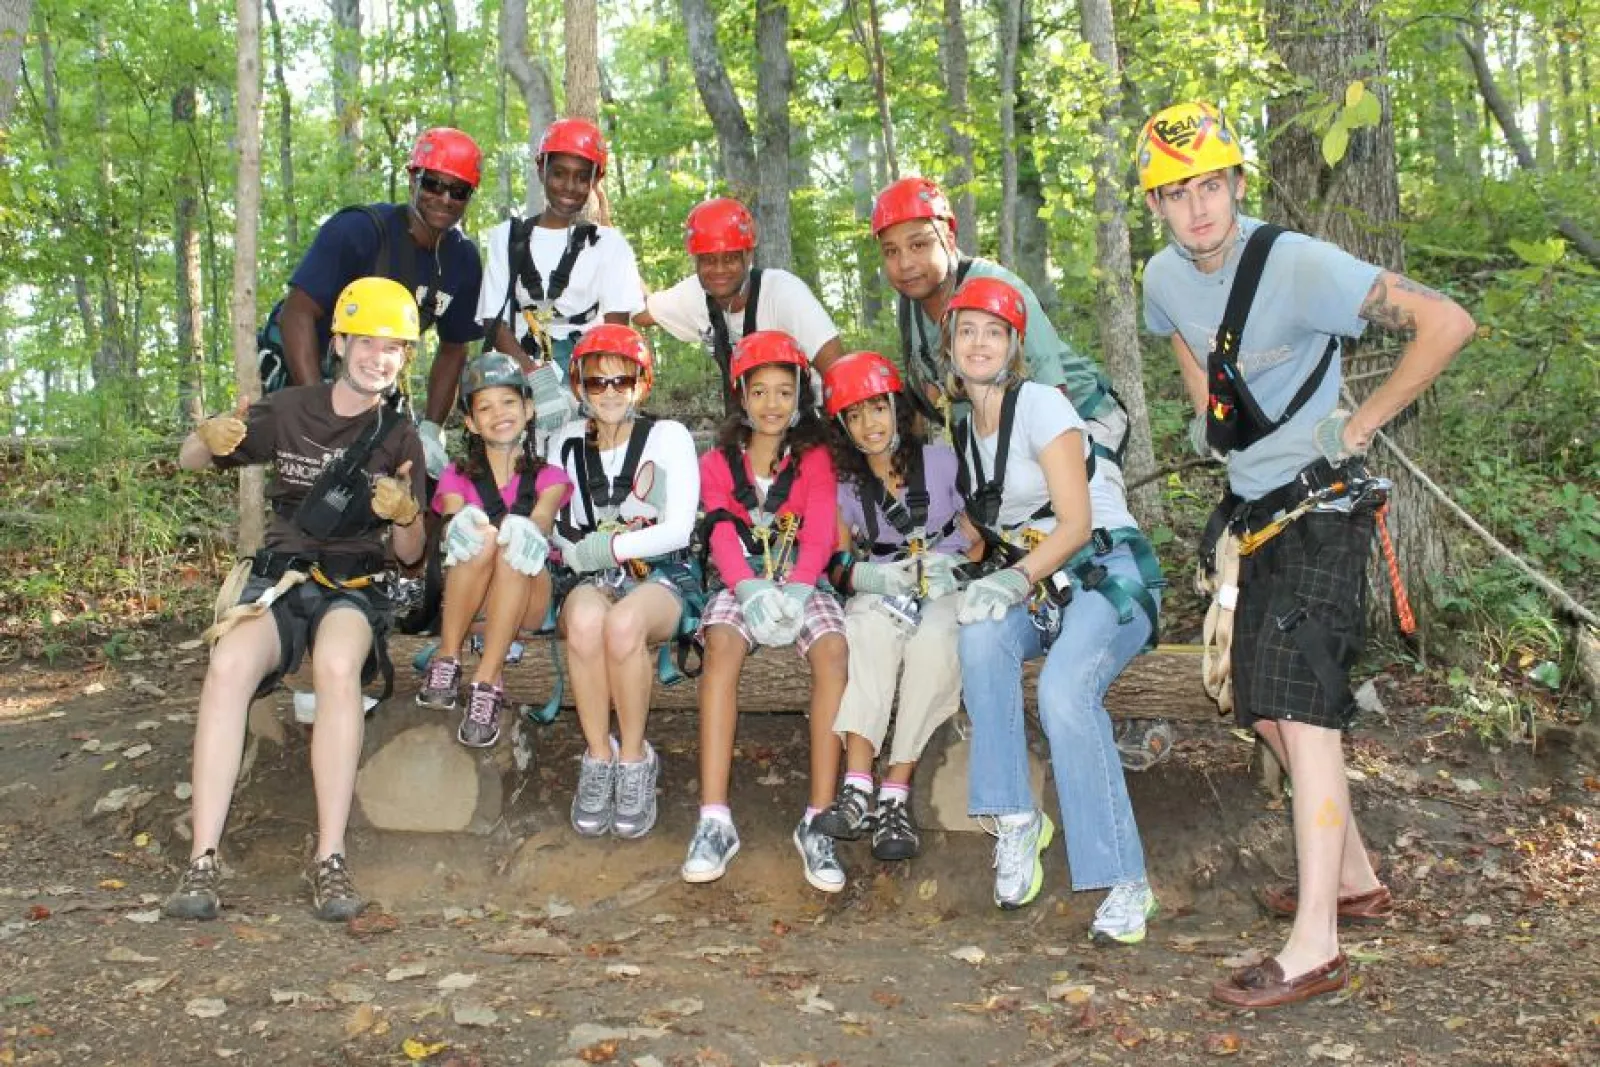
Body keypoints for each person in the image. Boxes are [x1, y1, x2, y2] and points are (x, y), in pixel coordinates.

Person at [1136, 101, 1475, 1008]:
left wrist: (1360, 423)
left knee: (1303, 707)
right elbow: (1191, 357)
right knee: (1267, 708)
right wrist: (1221, 424)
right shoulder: (1162, 279)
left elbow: (1447, 322)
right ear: (1156, 206)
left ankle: (1315, 942)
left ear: (1239, 184)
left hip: (1326, 508)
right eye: (1177, 193)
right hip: (1253, 517)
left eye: (1212, 185)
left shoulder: (1298, 264)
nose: (1199, 208)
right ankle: (1354, 878)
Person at [871, 175, 1172, 774]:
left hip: (1077, 421)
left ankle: (1132, 703)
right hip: (990, 441)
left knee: (1090, 547)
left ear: (948, 238)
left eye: (918, 244)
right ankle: (1021, 682)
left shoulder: (995, 289)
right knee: (1019, 556)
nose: (906, 263)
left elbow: (1047, 395)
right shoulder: (914, 312)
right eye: (891, 250)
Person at [165, 277, 429, 923]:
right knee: (228, 665)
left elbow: (413, 553)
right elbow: (190, 459)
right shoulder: (288, 408)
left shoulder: (399, 435)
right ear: (340, 341)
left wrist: (403, 513)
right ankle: (203, 856)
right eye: (368, 341)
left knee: (338, 667)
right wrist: (209, 434)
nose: (379, 356)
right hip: (280, 577)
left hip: (351, 584)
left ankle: (330, 857)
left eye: (394, 347)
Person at [946, 277, 1166, 946]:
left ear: (1014, 346)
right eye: (966, 330)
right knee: (980, 634)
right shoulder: (966, 429)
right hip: (1042, 586)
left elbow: (1073, 524)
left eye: (994, 331)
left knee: (1066, 690)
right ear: (949, 345)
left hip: (1105, 573)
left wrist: (1010, 579)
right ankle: (1016, 817)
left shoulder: (1042, 404)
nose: (978, 343)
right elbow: (986, 530)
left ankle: (1124, 878)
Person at [684, 331, 848, 892]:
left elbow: (822, 527)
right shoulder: (715, 462)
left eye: (784, 391)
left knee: (832, 650)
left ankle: (819, 816)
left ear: (800, 393)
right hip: (746, 581)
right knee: (721, 645)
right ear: (741, 396)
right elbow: (721, 528)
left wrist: (800, 589)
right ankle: (714, 817)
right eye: (760, 392)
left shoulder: (815, 458)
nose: (772, 404)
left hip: (804, 582)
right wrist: (750, 589)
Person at [812, 351, 975, 861]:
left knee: (934, 644)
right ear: (843, 426)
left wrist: (960, 571)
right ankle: (858, 785)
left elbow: (980, 539)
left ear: (895, 408)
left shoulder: (944, 462)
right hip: (886, 584)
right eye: (855, 416)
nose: (869, 425)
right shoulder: (846, 488)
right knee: (867, 631)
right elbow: (837, 561)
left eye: (877, 409)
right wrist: (869, 576)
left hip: (946, 584)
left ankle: (894, 793)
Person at [543, 325, 701, 840]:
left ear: (642, 382)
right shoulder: (563, 442)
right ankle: (597, 755)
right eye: (595, 381)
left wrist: (611, 547)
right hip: (590, 574)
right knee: (588, 622)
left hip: (660, 574)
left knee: (624, 624)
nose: (609, 391)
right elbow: (558, 527)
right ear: (578, 387)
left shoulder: (668, 437)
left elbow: (678, 527)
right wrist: (576, 551)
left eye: (621, 379)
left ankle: (634, 758)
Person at [276, 127, 486, 475]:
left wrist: (432, 430)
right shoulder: (359, 231)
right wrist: (320, 409)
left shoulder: (462, 261)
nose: (445, 199)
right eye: (434, 184)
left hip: (376, 380)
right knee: (309, 482)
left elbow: (454, 347)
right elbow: (296, 313)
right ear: (412, 180)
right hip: (311, 368)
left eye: (459, 191)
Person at [415, 353, 574, 747]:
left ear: (529, 408)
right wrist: (460, 527)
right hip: (469, 604)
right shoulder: (455, 475)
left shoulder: (549, 477)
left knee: (514, 540)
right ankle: (448, 659)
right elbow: (453, 517)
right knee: (481, 534)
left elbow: (542, 520)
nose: (498, 413)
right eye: (484, 407)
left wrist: (524, 531)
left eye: (508, 402)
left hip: (528, 602)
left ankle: (486, 680)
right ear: (470, 421)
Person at [478, 118, 645, 435]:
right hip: (520, 369)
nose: (569, 186)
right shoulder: (507, 238)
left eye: (582, 177)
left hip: (586, 373)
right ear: (542, 170)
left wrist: (587, 388)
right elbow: (493, 321)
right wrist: (536, 380)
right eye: (559, 174)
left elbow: (614, 332)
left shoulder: (610, 246)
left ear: (594, 182)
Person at [635, 197, 844, 413]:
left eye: (730, 259)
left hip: (808, 419)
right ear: (695, 261)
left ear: (749, 254)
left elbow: (839, 372)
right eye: (708, 260)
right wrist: (613, 246)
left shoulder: (784, 294)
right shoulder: (693, 294)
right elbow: (641, 311)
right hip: (749, 425)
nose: (719, 270)